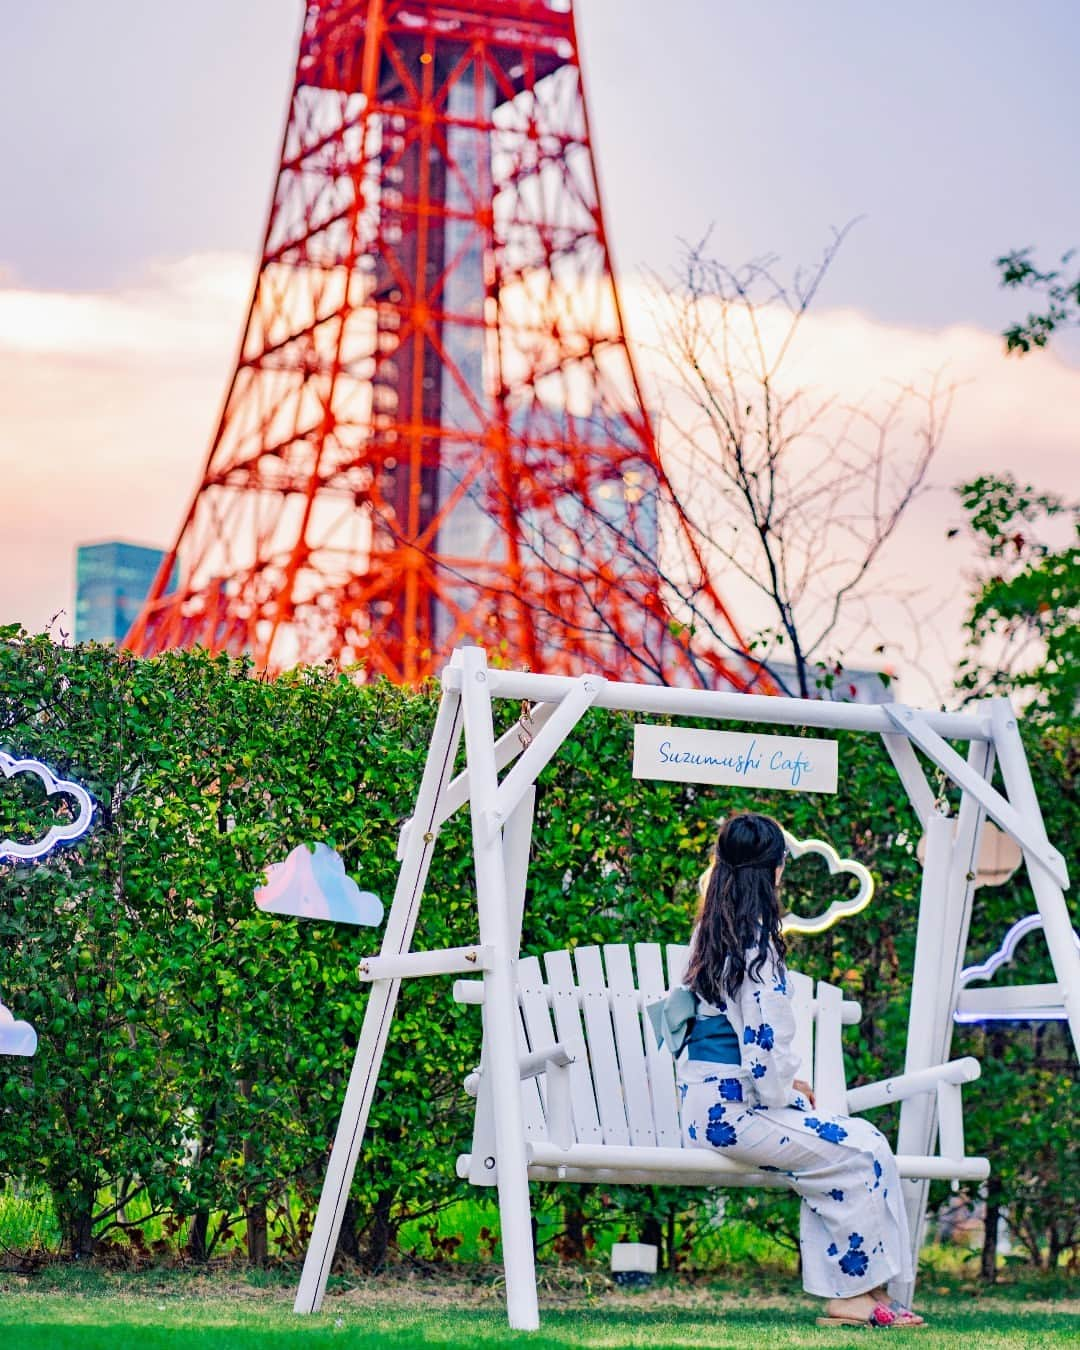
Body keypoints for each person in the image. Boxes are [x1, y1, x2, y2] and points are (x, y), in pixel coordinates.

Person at [670, 812, 925, 1329]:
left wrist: (778, 1088)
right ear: (776, 870)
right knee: (860, 1150)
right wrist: (785, 1093)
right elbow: (765, 1047)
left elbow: (688, 1024)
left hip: (709, 1107)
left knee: (857, 1145)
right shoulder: (755, 945)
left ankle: (866, 1289)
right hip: (735, 1112)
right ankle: (853, 1296)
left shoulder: (711, 934)